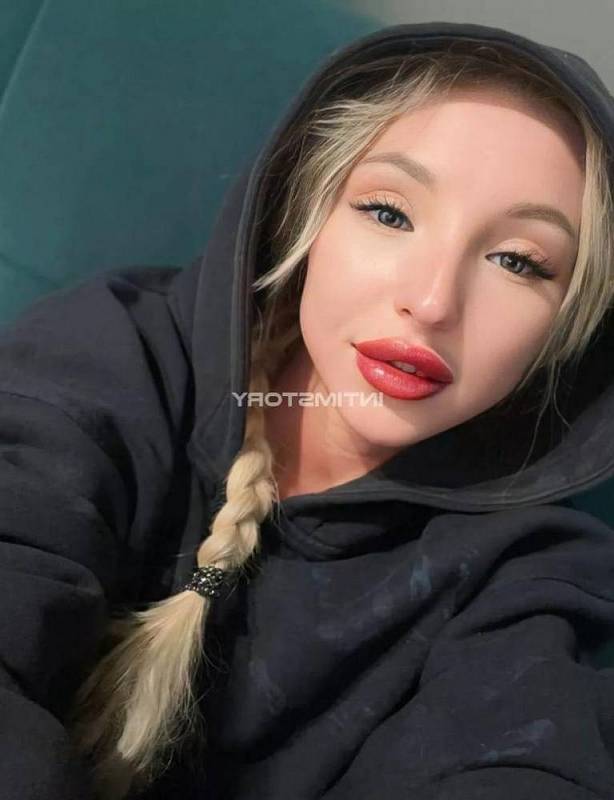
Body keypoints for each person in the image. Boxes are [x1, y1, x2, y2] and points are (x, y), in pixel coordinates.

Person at [2, 18, 614, 800]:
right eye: (389, 213)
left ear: (566, 332)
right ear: (305, 213)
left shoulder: (528, 572)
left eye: (519, 261)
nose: (432, 302)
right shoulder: (109, 356)